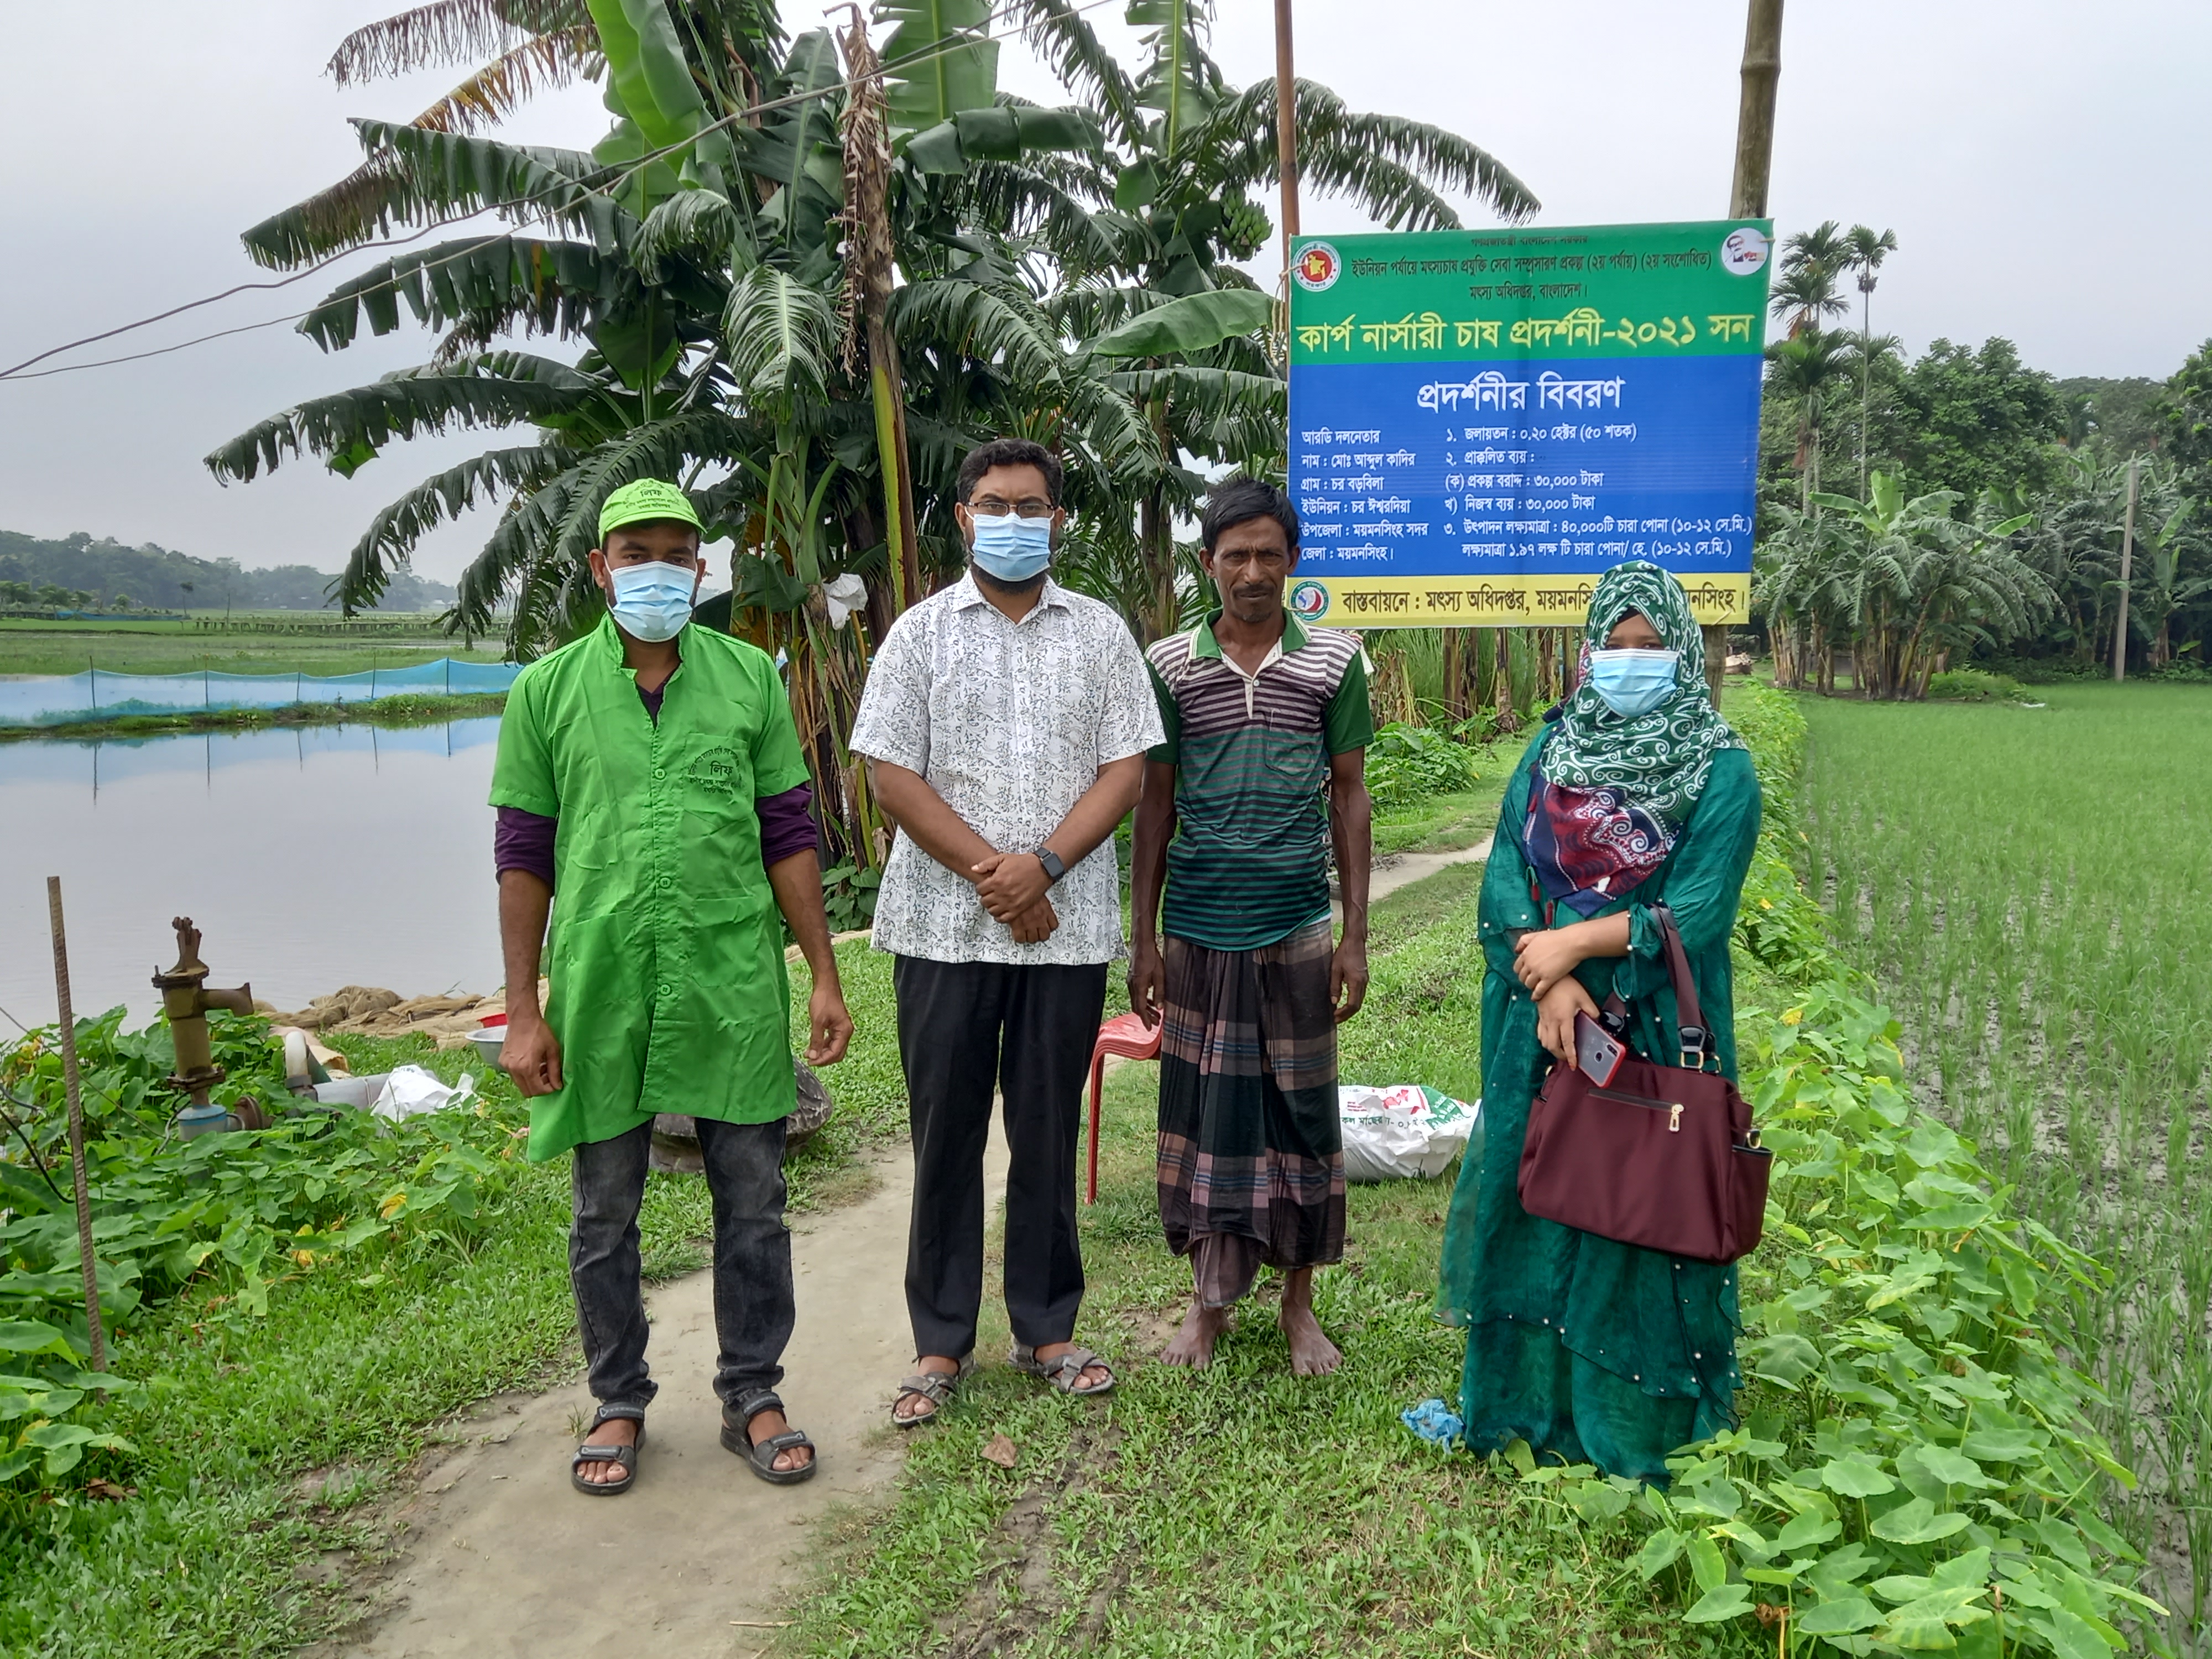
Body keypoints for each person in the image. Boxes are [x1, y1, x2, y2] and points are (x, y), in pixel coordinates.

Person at [489, 478, 854, 1496]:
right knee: (604, 1209)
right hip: (602, 985)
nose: (656, 570)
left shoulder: (748, 680)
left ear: (701, 569)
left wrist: (825, 974)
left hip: (727, 978)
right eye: (634, 552)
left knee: (755, 1198)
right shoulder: (545, 692)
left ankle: (753, 1392)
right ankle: (618, 1399)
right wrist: (523, 1011)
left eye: (675, 554)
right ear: (600, 568)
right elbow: (523, 853)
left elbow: (787, 831)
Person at [849, 437, 1163, 1426]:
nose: (1014, 521)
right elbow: (891, 775)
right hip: (941, 930)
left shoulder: (1101, 634)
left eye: (1032, 507)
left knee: (1045, 1131)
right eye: (996, 504)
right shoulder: (918, 636)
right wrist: (998, 874)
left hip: (1061, 934)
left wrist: (1046, 869)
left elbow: (1126, 771)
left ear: (1058, 521)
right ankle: (940, 1343)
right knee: (943, 1137)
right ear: (963, 517)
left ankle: (1047, 1328)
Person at [1434, 561, 1762, 1481]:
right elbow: (1508, 871)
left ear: (1684, 653)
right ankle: (1523, 1404)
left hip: (1649, 1027)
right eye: (1615, 646)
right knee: (1536, 1185)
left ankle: (1632, 1422)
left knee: (1637, 1203)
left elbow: (1697, 913)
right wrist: (1548, 984)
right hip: (1540, 1024)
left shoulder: (1721, 767)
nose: (1631, 661)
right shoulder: (1552, 749)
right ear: (1588, 653)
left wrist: (1576, 947)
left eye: (1651, 646)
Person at [1129, 478, 1374, 1375]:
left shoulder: (1335, 661)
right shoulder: (1169, 666)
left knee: (1301, 1115)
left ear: (1293, 561)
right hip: (1198, 927)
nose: (1254, 571)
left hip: (1297, 926)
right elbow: (1154, 806)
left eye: (1270, 553)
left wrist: (1355, 934)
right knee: (1207, 1121)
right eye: (1236, 555)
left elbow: (1350, 796)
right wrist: (1144, 937)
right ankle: (1209, 1307)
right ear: (1209, 564)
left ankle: (1298, 1306)